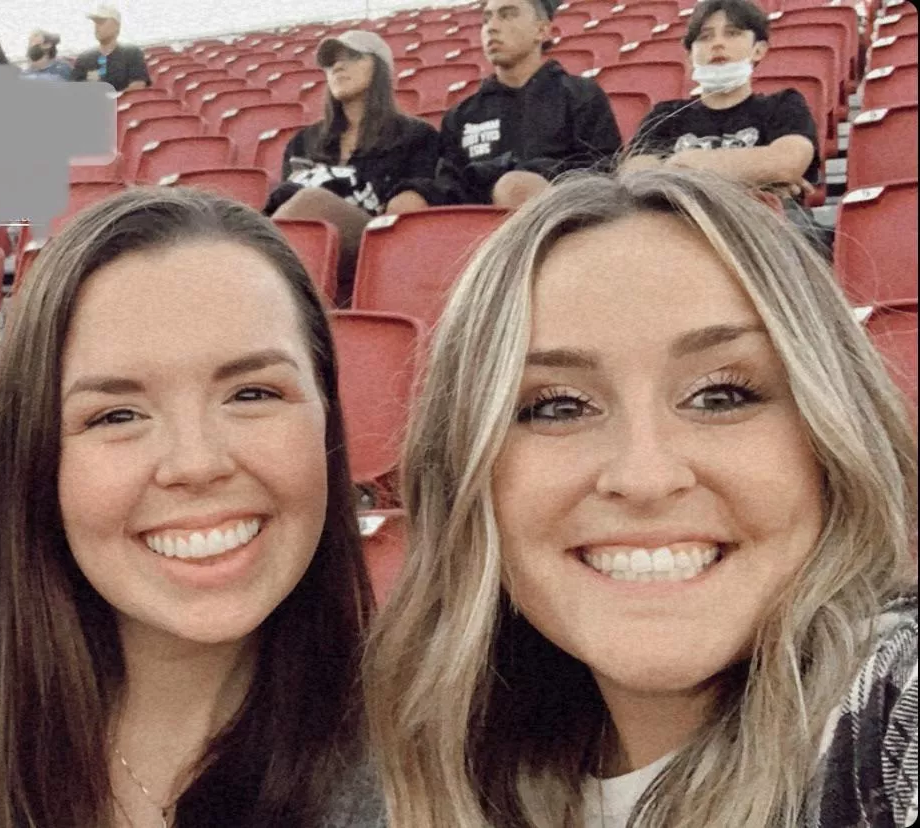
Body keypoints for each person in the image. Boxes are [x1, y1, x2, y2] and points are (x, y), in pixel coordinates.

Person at [0, 188, 381, 827]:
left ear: (327, 417)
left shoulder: (416, 756)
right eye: (117, 415)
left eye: (252, 394)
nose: (196, 463)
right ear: (37, 460)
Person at [363, 168, 918, 827]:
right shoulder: (447, 766)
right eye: (558, 407)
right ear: (462, 471)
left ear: (833, 437)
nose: (644, 476)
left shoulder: (894, 707)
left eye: (721, 396)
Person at [267, 30, 442, 306]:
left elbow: (411, 217)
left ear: (379, 67)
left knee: (310, 201)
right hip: (307, 251)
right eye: (330, 62)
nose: (337, 67)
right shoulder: (303, 142)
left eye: (352, 56)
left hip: (376, 243)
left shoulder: (415, 136)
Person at [624, 0, 821, 205]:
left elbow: (786, 164)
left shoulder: (783, 104)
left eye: (732, 33)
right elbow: (635, 176)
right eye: (705, 37)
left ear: (759, 50)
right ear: (690, 56)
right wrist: (758, 176)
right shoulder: (665, 115)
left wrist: (682, 164)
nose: (717, 44)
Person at [429, 0, 622, 208]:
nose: (492, 27)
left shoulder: (581, 95)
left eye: (508, 15)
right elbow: (450, 189)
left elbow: (602, 172)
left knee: (516, 187)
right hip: (483, 224)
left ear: (542, 31)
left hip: (566, 216)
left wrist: (525, 175)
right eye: (486, 19)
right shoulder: (461, 115)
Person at [70, 5, 151, 92]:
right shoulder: (84, 58)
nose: (96, 26)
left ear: (116, 26)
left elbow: (138, 84)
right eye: (95, 22)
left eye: (101, 22)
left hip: (123, 100)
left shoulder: (132, 53)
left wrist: (112, 97)